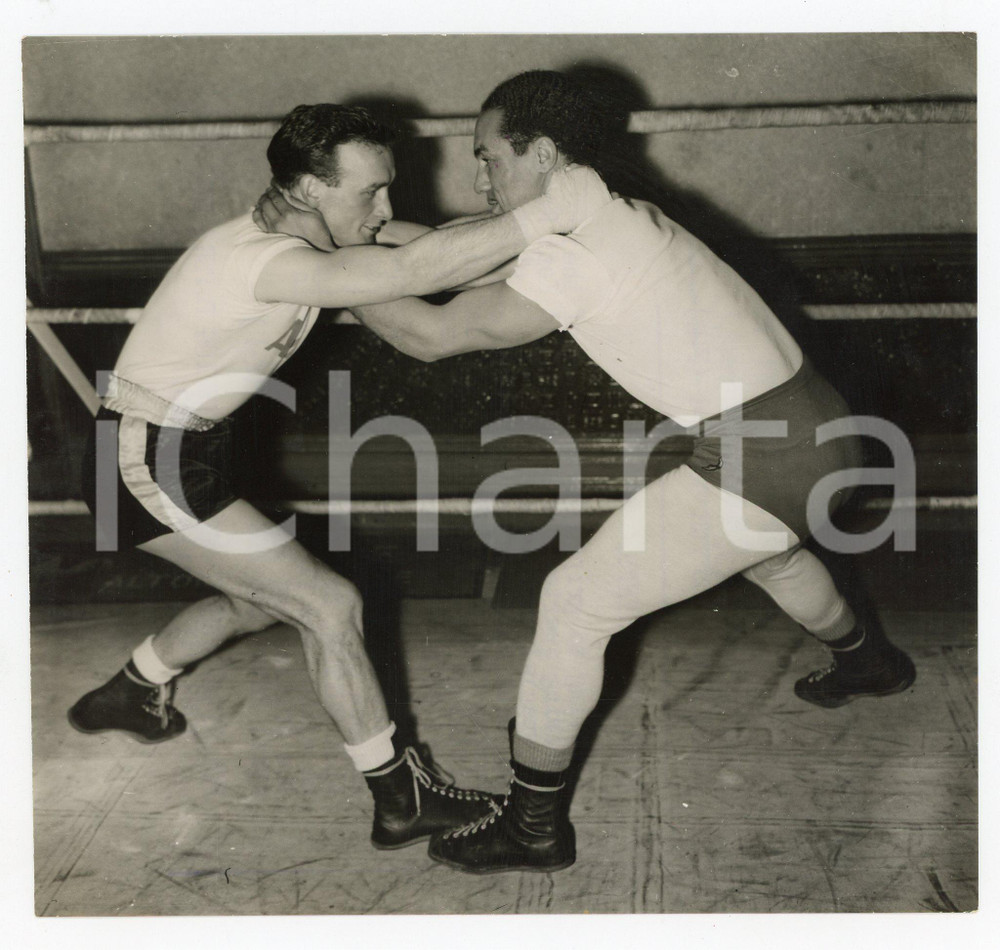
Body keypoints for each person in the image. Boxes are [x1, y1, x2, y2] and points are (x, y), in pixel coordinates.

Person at [259, 72, 917, 874]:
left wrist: (330, 261)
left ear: (541, 153)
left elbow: (435, 335)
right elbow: (464, 250)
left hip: (771, 453)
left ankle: (533, 823)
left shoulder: (581, 253)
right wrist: (360, 244)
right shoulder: (609, 216)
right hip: (819, 430)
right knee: (768, 550)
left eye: (489, 157)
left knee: (574, 602)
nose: (479, 177)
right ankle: (866, 660)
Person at [68, 102, 612, 852]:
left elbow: (436, 247)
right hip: (141, 456)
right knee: (327, 605)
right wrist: (556, 212)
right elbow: (414, 271)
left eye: (386, 189)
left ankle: (129, 690)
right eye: (369, 194)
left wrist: (559, 247)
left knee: (258, 601)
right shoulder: (262, 259)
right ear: (306, 189)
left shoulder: (320, 227)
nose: (385, 207)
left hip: (184, 449)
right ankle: (399, 799)